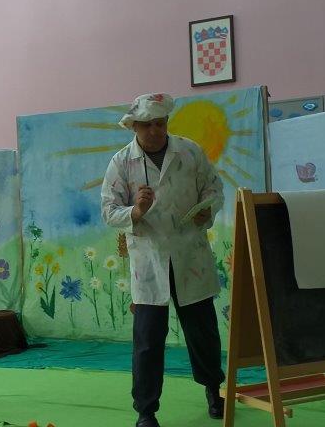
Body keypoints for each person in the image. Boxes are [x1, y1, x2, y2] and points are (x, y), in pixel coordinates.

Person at [101, 93, 225, 427]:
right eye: (147, 125)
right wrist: (136, 211)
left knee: (203, 332)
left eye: (160, 123)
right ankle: (146, 411)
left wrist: (208, 211)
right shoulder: (121, 163)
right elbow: (109, 211)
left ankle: (214, 390)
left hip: (190, 255)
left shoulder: (190, 151)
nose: (155, 130)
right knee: (147, 340)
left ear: (167, 122)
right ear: (134, 126)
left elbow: (214, 189)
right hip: (149, 261)